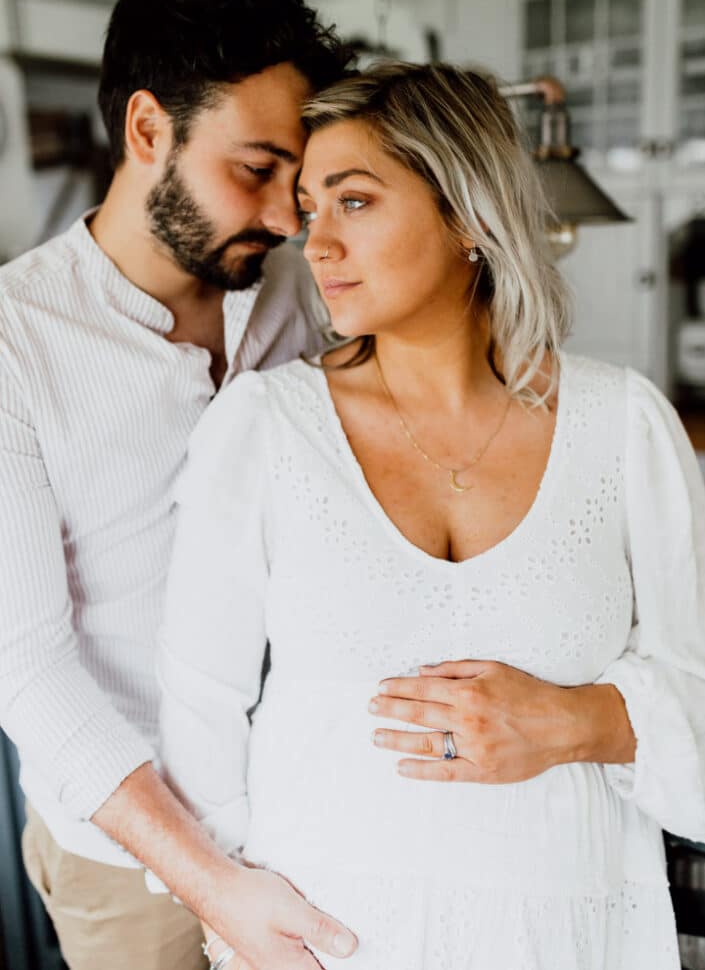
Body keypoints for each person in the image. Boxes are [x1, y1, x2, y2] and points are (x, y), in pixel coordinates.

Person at [159, 61, 705, 969]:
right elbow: (198, 711)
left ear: (468, 215)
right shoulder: (263, 427)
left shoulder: (624, 425)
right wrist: (233, 923)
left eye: (355, 202)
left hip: (573, 934)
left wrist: (581, 722)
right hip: (328, 940)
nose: (315, 242)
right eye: (309, 207)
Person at [0, 0, 359, 970]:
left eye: (300, 179)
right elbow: (24, 669)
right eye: (255, 169)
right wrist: (214, 884)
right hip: (130, 853)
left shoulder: (303, 290)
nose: (289, 217)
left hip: (308, 802)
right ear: (148, 130)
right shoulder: (12, 344)